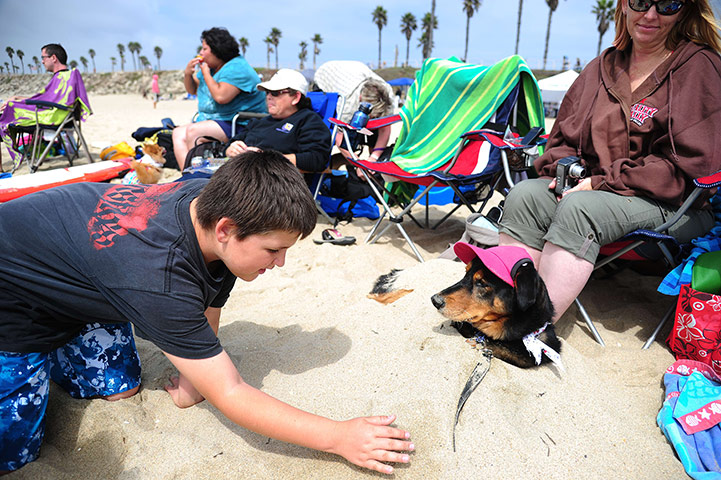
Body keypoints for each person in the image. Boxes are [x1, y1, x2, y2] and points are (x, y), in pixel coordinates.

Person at [0, 150, 414, 476]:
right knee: (13, 454)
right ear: (225, 230)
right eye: (273, 250)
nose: (282, 263)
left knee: (120, 387)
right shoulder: (157, 278)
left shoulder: (209, 198)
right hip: (13, 293)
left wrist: (194, 378)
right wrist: (338, 437)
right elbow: (231, 392)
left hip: (79, 270)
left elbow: (213, 286)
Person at [498, 0, 721, 322]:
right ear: (623, 5)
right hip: (598, 190)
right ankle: (504, 308)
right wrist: (569, 172)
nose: (650, 15)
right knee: (526, 196)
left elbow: (690, 167)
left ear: (685, 11)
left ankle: (532, 328)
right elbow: (561, 140)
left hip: (676, 203)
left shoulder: (700, 66)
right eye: (641, 2)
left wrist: (600, 183)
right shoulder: (602, 67)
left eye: (668, 5)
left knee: (581, 209)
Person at [172, 27, 266, 167]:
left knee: (194, 132)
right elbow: (192, 89)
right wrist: (187, 74)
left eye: (204, 49)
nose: (201, 53)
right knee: (178, 133)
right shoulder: (212, 67)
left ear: (217, 50)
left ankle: (199, 176)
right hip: (217, 121)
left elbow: (221, 97)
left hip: (240, 122)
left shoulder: (237, 68)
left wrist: (206, 74)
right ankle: (187, 176)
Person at [0, 44, 90, 171]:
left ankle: (6, 165)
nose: (42, 61)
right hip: (56, 113)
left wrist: (16, 103)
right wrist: (20, 98)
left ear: (53, 58)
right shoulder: (64, 77)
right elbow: (46, 99)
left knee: (8, 111)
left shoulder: (64, 77)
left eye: (43, 57)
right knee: (9, 109)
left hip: (53, 117)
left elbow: (49, 101)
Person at [223, 69, 330, 173]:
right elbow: (230, 144)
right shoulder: (259, 122)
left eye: (275, 93)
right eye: (267, 92)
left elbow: (317, 159)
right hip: (240, 176)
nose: (269, 97)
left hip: (274, 183)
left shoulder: (308, 121)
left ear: (296, 97)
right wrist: (231, 149)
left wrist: (264, 158)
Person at [334, 78, 395, 164]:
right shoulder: (347, 105)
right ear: (360, 99)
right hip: (328, 79)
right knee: (350, 137)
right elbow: (339, 137)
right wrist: (358, 164)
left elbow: (385, 128)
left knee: (375, 130)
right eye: (372, 116)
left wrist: (374, 157)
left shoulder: (388, 96)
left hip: (359, 80)